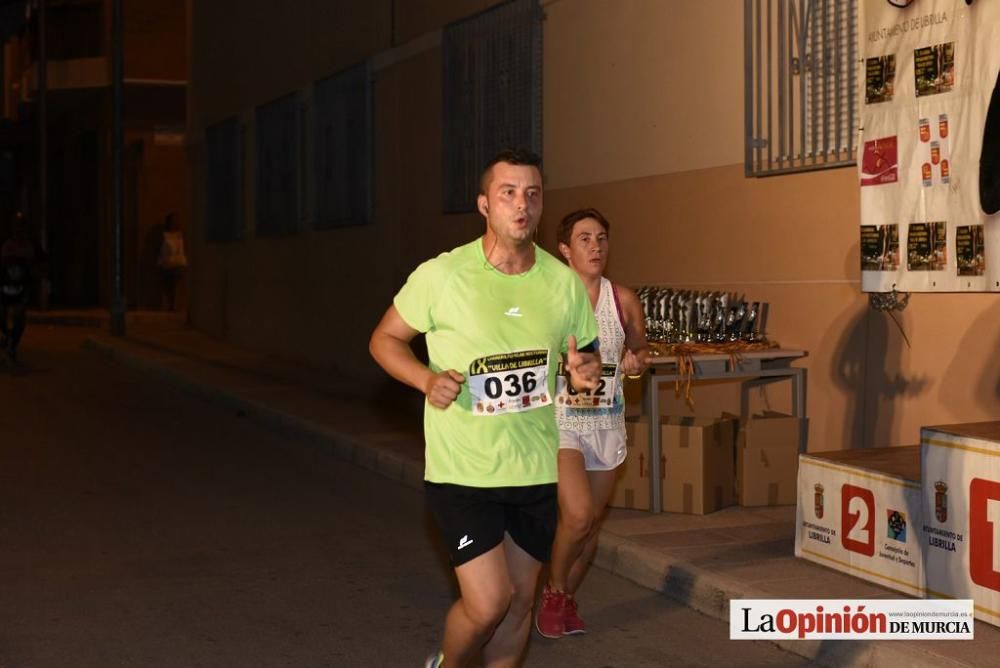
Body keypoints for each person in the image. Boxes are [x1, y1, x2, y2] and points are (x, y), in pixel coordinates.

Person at [369, 149, 601, 668]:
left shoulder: (561, 283)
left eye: (533, 194)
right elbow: (384, 339)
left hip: (534, 468)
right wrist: (426, 379)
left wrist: (584, 376)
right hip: (463, 470)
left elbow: (586, 359)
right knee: (489, 600)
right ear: (484, 204)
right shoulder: (442, 275)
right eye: (509, 193)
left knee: (519, 603)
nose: (523, 204)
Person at [535, 208, 649, 639]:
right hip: (562, 421)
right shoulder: (550, 300)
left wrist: (636, 365)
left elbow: (637, 355)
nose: (595, 246)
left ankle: (563, 598)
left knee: (592, 526)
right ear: (564, 250)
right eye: (584, 239)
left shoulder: (623, 300)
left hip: (606, 422)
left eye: (601, 238)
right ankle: (554, 592)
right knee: (578, 516)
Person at [0, 212, 39, 364]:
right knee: (1, 315)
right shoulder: (6, 245)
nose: (18, 229)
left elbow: (38, 266)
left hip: (21, 288)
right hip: (5, 288)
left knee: (19, 315)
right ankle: (8, 336)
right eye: (16, 225)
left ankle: (12, 345)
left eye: (21, 226)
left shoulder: (30, 246)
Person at [157, 212, 187, 311]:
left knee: (176, 286)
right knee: (166, 287)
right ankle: (166, 306)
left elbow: (181, 250)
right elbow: (161, 251)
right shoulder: (164, 236)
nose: (175, 223)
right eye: (173, 221)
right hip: (166, 264)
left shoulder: (180, 236)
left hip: (178, 264)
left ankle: (175, 306)